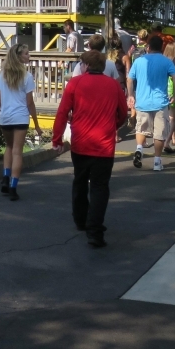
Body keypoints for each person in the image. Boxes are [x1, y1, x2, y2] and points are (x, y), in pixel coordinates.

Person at [53, 50, 127, 248]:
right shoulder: (113, 85)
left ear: (85, 66)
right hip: (104, 145)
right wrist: (114, 125)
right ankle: (95, 230)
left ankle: (80, 219)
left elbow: (62, 112)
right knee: (100, 187)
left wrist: (57, 139)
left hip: (81, 143)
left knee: (79, 181)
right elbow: (123, 113)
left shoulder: (75, 84)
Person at [0, 43, 43, 201]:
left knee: (8, 146)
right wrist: (36, 124)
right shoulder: (27, 77)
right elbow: (30, 103)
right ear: (19, 56)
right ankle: (13, 187)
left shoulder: (2, 75)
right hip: (20, 117)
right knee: (17, 151)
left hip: (5, 117)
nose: (29, 56)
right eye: (26, 54)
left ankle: (5, 177)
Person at [127, 34, 175, 171]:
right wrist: (174, 94)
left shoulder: (139, 61)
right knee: (159, 133)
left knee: (141, 129)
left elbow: (129, 79)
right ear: (161, 47)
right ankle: (157, 161)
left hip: (142, 101)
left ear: (148, 47)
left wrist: (131, 95)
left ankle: (139, 149)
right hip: (160, 103)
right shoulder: (166, 61)